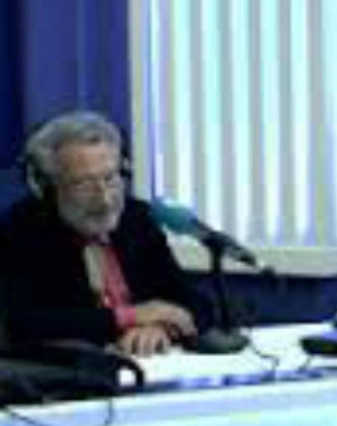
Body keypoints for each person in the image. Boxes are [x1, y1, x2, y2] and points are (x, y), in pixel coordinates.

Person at [0, 111, 207, 356]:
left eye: (110, 178)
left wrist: (161, 326)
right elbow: (23, 323)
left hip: (146, 366)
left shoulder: (137, 219)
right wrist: (131, 316)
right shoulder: (22, 229)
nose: (105, 199)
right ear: (47, 188)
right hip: (73, 372)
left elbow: (194, 302)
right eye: (83, 184)